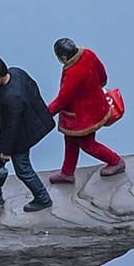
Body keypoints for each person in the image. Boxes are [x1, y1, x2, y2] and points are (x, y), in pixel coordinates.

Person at [0, 54, 55, 215]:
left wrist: (6, 152)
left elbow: (13, 126)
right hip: (21, 123)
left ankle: (42, 198)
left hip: (22, 132)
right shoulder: (16, 72)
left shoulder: (12, 97)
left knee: (23, 169)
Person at [48, 37, 125, 184]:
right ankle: (67, 172)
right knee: (70, 140)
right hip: (96, 106)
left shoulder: (72, 73)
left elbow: (62, 100)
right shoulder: (88, 54)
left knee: (88, 144)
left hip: (81, 117)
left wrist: (46, 112)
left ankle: (116, 161)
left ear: (64, 57)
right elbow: (103, 76)